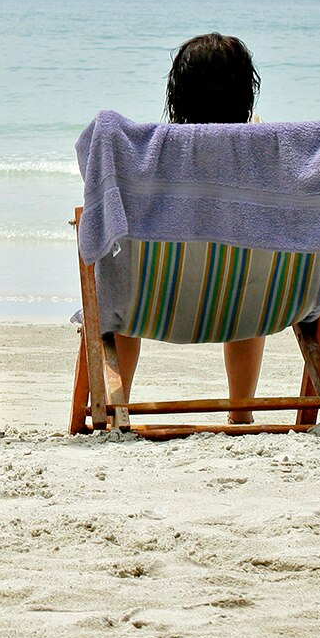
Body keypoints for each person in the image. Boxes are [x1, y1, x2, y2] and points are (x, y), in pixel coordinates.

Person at [110, 33, 267, 423]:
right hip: (252, 306)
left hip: (150, 305)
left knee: (119, 286)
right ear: (246, 93)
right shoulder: (269, 153)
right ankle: (241, 410)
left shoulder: (148, 154)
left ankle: (117, 406)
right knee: (252, 278)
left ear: (175, 94)